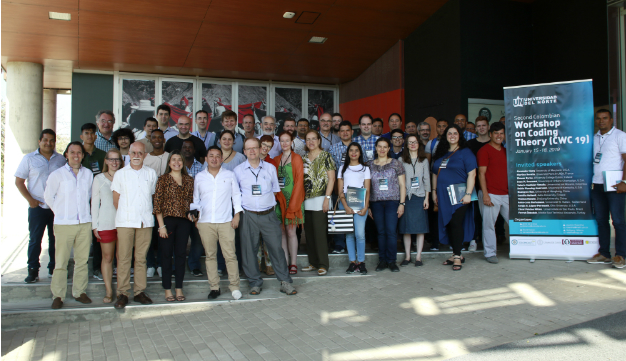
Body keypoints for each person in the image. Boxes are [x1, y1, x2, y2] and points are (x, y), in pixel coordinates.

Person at [233, 138, 296, 295]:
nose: (252, 151)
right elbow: (235, 195)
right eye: (249, 149)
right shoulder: (238, 170)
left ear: (260, 149)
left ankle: (285, 282)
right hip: (248, 215)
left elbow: (275, 189)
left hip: (268, 214)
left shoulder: (269, 168)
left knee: (276, 249)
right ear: (245, 152)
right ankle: (254, 283)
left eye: (255, 147)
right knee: (249, 250)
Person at [44, 142, 93, 309]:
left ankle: (79, 292)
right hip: (64, 224)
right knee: (61, 261)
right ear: (66, 154)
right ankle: (58, 295)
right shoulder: (57, 175)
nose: (76, 155)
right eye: (72, 152)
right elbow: (49, 197)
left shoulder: (88, 174)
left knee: (82, 260)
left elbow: (89, 197)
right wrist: (61, 212)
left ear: (83, 155)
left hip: (84, 222)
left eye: (79, 152)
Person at [192, 146, 243, 300]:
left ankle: (234, 287)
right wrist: (196, 217)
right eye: (211, 156)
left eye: (217, 156)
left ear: (222, 159)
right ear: (206, 158)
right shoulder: (199, 177)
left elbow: (236, 196)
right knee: (210, 256)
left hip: (226, 221)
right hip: (205, 222)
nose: (214, 159)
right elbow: (196, 199)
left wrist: (237, 215)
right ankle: (214, 287)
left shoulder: (229, 175)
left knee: (230, 256)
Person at [15, 129, 67, 283]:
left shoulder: (61, 160)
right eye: (45, 140)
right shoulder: (29, 159)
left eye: (51, 140)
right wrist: (30, 200)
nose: (48, 143)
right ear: (39, 141)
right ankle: (33, 270)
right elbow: (19, 181)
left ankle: (53, 268)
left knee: (55, 239)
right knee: (35, 239)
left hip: (56, 207)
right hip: (37, 206)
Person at [111, 142, 158, 309]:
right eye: (134, 152)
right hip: (125, 221)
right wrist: (127, 213)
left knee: (141, 259)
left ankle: (139, 292)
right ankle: (122, 293)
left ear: (145, 155)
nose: (137, 155)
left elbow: (152, 196)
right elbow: (116, 200)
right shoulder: (120, 174)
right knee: (123, 258)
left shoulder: (151, 174)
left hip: (145, 221)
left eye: (140, 152)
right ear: (129, 154)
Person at [431, 124, 477, 271]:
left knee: (457, 222)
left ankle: (457, 255)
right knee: (449, 223)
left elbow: (472, 174)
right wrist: (434, 191)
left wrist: (468, 194)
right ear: (445, 136)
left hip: (460, 194)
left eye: (455, 133)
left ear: (459, 135)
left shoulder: (465, 152)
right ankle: (455, 253)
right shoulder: (441, 153)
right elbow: (434, 173)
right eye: (449, 133)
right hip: (443, 195)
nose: (452, 136)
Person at [153, 151, 194, 302]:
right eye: (173, 160)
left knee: (181, 255)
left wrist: (193, 215)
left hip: (184, 222)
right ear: (169, 163)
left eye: (179, 160)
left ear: (183, 162)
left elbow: (192, 202)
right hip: (167, 221)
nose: (177, 162)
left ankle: (178, 288)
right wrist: (161, 226)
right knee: (165, 255)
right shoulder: (163, 179)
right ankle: (167, 289)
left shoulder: (189, 180)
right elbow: (157, 204)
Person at [587, 109, 626, 268]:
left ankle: (621, 255)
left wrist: (625, 181)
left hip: (615, 185)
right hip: (597, 184)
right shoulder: (594, 138)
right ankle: (604, 254)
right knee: (601, 220)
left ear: (611, 120)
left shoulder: (620, 136)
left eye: (605, 118)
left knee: (617, 221)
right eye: (598, 118)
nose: (601, 121)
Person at [301, 130, 336, 275]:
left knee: (320, 233)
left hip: (321, 199)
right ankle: (313, 262)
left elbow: (332, 179)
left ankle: (323, 264)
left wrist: (327, 199)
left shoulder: (326, 156)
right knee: (309, 233)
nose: (311, 142)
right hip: (306, 200)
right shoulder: (303, 158)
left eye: (313, 139)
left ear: (319, 140)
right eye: (308, 139)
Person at [369, 137, 406, 272]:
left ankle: (392, 261)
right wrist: (367, 206)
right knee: (381, 232)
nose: (382, 149)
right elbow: (366, 187)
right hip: (376, 202)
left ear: (389, 148)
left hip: (393, 201)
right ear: (376, 148)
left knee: (391, 232)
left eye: (385, 147)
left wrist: (402, 204)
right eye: (380, 146)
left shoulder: (396, 163)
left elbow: (402, 185)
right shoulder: (369, 165)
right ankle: (382, 260)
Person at [92, 148, 123, 303]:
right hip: (105, 222)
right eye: (111, 159)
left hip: (124, 222)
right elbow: (94, 203)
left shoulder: (125, 176)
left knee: (121, 258)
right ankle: (109, 291)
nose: (114, 162)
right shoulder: (98, 178)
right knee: (107, 257)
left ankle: (120, 291)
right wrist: (94, 225)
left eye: (117, 159)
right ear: (106, 161)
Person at [273, 131, 305, 273]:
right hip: (279, 201)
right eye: (282, 141)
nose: (284, 143)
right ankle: (285, 261)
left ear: (292, 142)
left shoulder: (297, 158)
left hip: (293, 200)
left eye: (287, 141)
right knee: (282, 233)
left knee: (291, 232)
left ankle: (293, 263)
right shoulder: (275, 159)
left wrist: (294, 203)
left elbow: (299, 182)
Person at [477, 122, 508, 264]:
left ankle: (519, 249)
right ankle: (490, 253)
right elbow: (481, 174)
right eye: (496, 133)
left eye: (501, 133)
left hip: (506, 194)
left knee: (515, 223)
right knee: (489, 225)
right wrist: (485, 194)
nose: (499, 136)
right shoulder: (484, 151)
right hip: (491, 194)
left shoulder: (506, 151)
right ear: (490, 134)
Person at [337, 142, 371, 274]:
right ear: (348, 153)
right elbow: (340, 190)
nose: (354, 153)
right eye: (351, 150)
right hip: (346, 201)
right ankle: (352, 262)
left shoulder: (365, 169)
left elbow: (367, 189)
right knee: (349, 233)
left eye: (356, 150)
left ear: (360, 153)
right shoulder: (342, 168)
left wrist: (366, 206)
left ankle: (361, 262)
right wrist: (345, 206)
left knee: (360, 234)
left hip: (360, 201)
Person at [79, 123, 107, 281]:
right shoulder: (76, 153)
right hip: (80, 201)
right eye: (86, 133)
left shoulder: (102, 155)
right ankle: (81, 271)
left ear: (96, 136)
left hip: (98, 202)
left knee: (98, 236)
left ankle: (97, 268)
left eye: (92, 133)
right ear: (82, 136)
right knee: (82, 237)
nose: (89, 136)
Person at [399, 135, 430, 266]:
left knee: (419, 228)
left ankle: (418, 257)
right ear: (406, 145)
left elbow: (427, 180)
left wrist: (427, 198)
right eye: (410, 142)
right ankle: (407, 256)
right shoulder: (401, 160)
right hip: (406, 197)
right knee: (406, 228)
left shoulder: (424, 160)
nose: (412, 144)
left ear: (418, 144)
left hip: (419, 197)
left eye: (415, 142)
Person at [144, 129, 170, 278]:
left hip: (166, 203)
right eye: (154, 137)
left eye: (160, 137)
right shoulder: (146, 159)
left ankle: (161, 264)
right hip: (149, 202)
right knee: (149, 234)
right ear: (150, 140)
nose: (157, 140)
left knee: (163, 235)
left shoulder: (169, 157)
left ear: (164, 139)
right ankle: (150, 264)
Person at [328, 121, 354, 254]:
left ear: (352, 132)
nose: (345, 133)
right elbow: (331, 169)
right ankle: (339, 244)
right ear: (339, 133)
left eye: (347, 130)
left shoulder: (357, 147)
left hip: (356, 188)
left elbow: (365, 165)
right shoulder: (333, 149)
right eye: (342, 131)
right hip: (338, 187)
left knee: (354, 214)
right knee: (338, 214)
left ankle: (353, 243)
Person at [465, 116, 491, 252]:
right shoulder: (470, 144)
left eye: (483, 125)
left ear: (488, 127)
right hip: (474, 184)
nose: (481, 128)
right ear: (475, 128)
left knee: (490, 215)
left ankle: (490, 241)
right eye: (479, 126)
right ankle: (473, 239)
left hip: (491, 183)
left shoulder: (494, 143)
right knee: (475, 213)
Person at [425, 118, 449, 251]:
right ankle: (435, 242)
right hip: (435, 180)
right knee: (435, 212)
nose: (441, 128)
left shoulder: (452, 142)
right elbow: (428, 164)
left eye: (444, 126)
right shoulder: (431, 143)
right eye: (439, 126)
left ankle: (450, 240)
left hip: (449, 181)